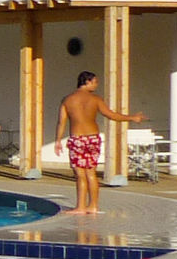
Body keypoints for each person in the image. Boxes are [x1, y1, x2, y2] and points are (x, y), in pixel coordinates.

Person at [56, 70, 144, 216]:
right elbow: (111, 115)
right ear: (87, 81)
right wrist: (132, 118)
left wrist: (58, 140)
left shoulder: (68, 100)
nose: (97, 84)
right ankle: (93, 206)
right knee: (91, 173)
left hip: (78, 139)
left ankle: (80, 207)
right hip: (93, 138)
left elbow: (61, 123)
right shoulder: (95, 99)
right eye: (95, 82)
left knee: (80, 174)